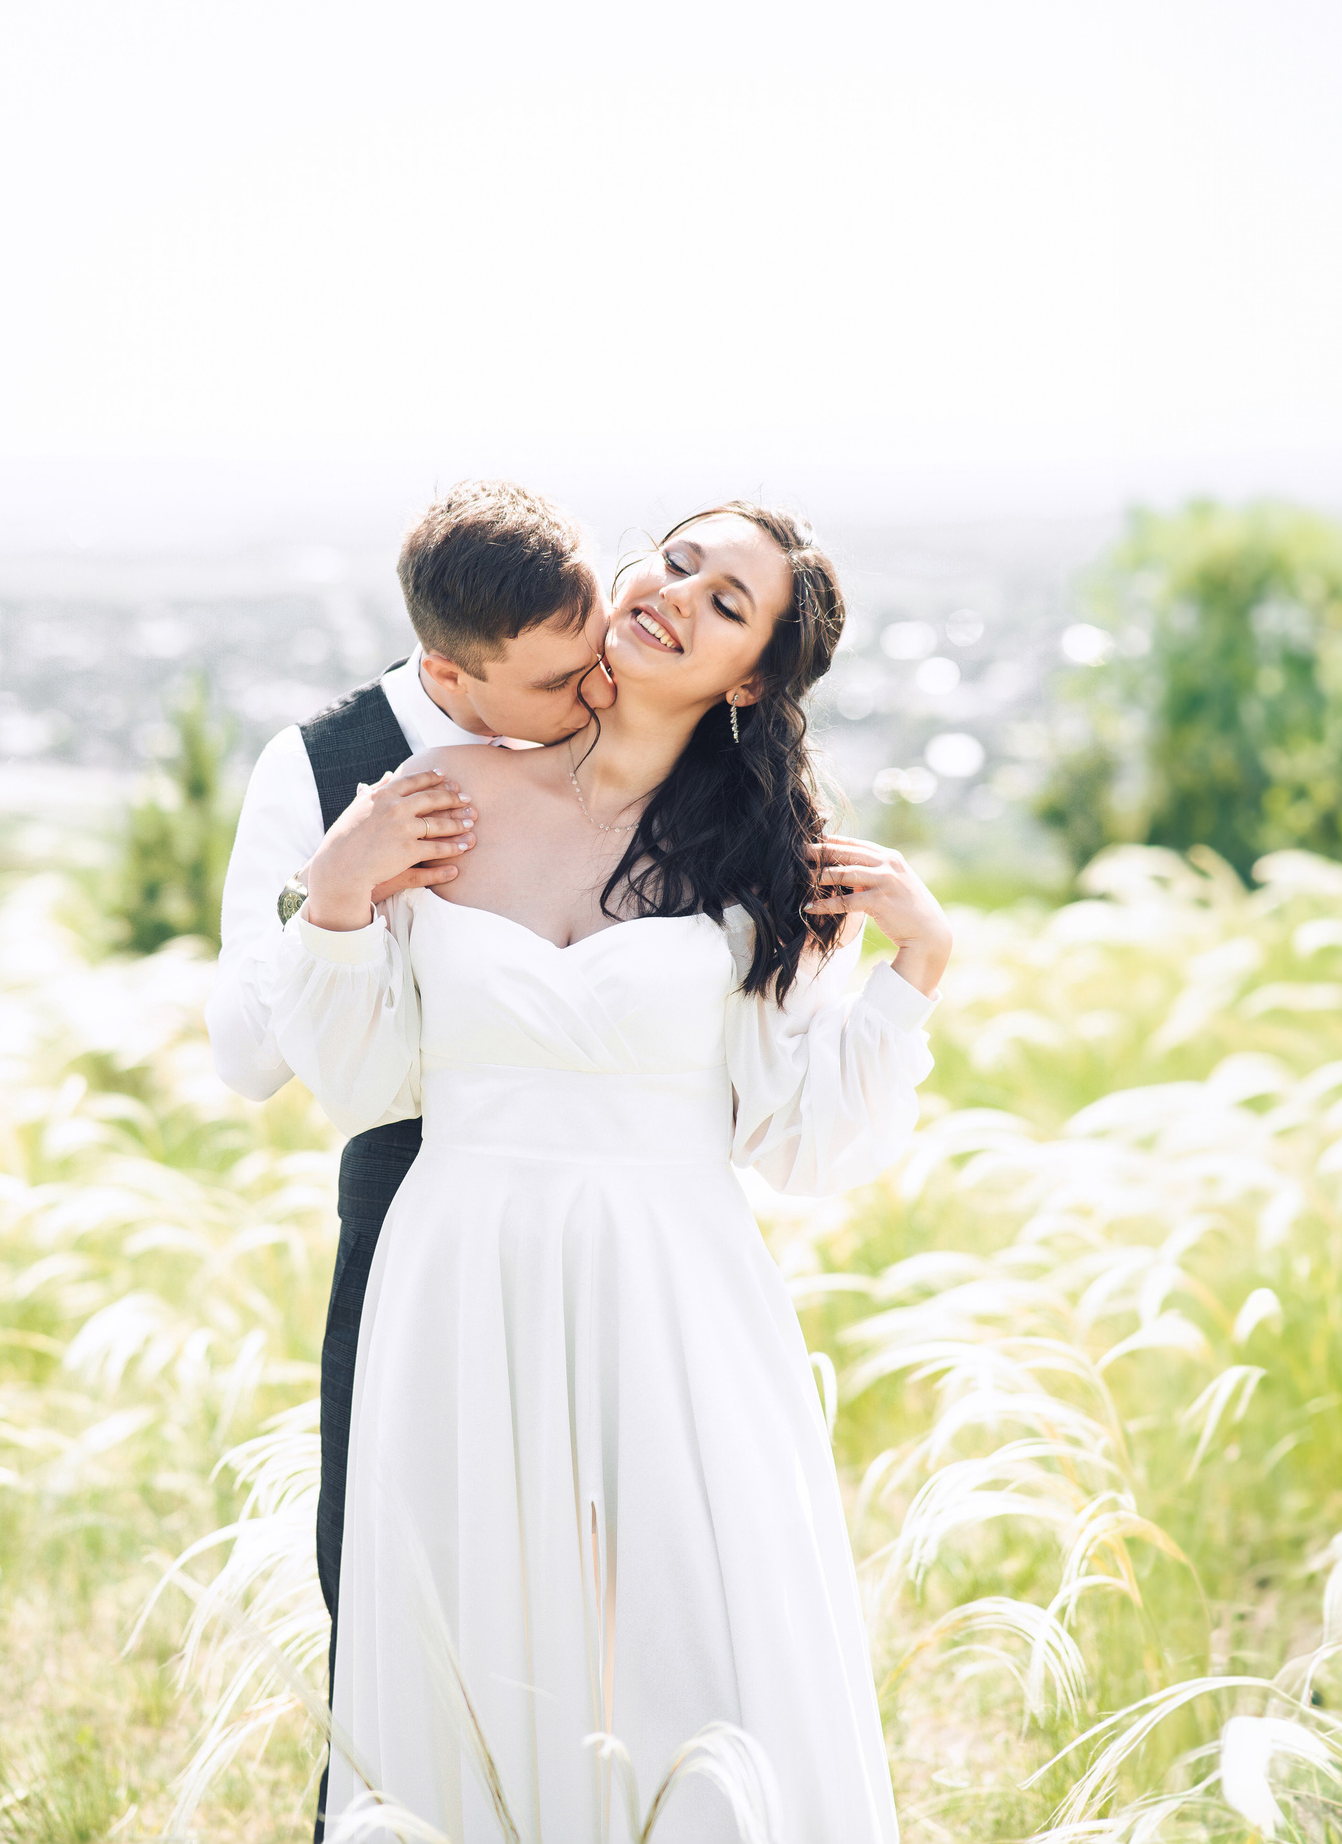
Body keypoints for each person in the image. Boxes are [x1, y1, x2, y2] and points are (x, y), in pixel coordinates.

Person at [271, 502, 950, 1842]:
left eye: (727, 603)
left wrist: (913, 973)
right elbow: (361, 1083)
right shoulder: (442, 796)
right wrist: (339, 893)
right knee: (471, 1636)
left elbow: (803, 1139)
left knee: (687, 1650)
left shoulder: (766, 855)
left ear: (750, 675)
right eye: (677, 560)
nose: (678, 595)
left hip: (670, 1295)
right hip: (459, 1272)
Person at [203, 479, 614, 1831]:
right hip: (409, 1208)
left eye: (598, 646)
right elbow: (248, 1060)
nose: (597, 688)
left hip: (602, 1205)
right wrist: (338, 878)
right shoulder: (319, 765)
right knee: (394, 1581)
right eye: (561, 678)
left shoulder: (624, 728)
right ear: (450, 671)